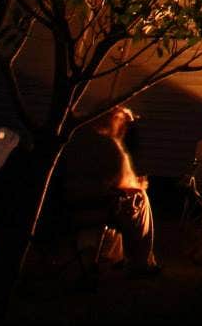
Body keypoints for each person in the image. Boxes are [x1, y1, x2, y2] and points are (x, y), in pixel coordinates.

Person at [58, 107, 160, 278]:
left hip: (64, 203)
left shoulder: (70, 140)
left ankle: (115, 256)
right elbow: (123, 181)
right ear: (114, 120)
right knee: (139, 198)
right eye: (123, 122)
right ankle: (140, 262)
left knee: (122, 198)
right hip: (92, 208)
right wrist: (140, 185)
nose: (124, 128)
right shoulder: (107, 145)